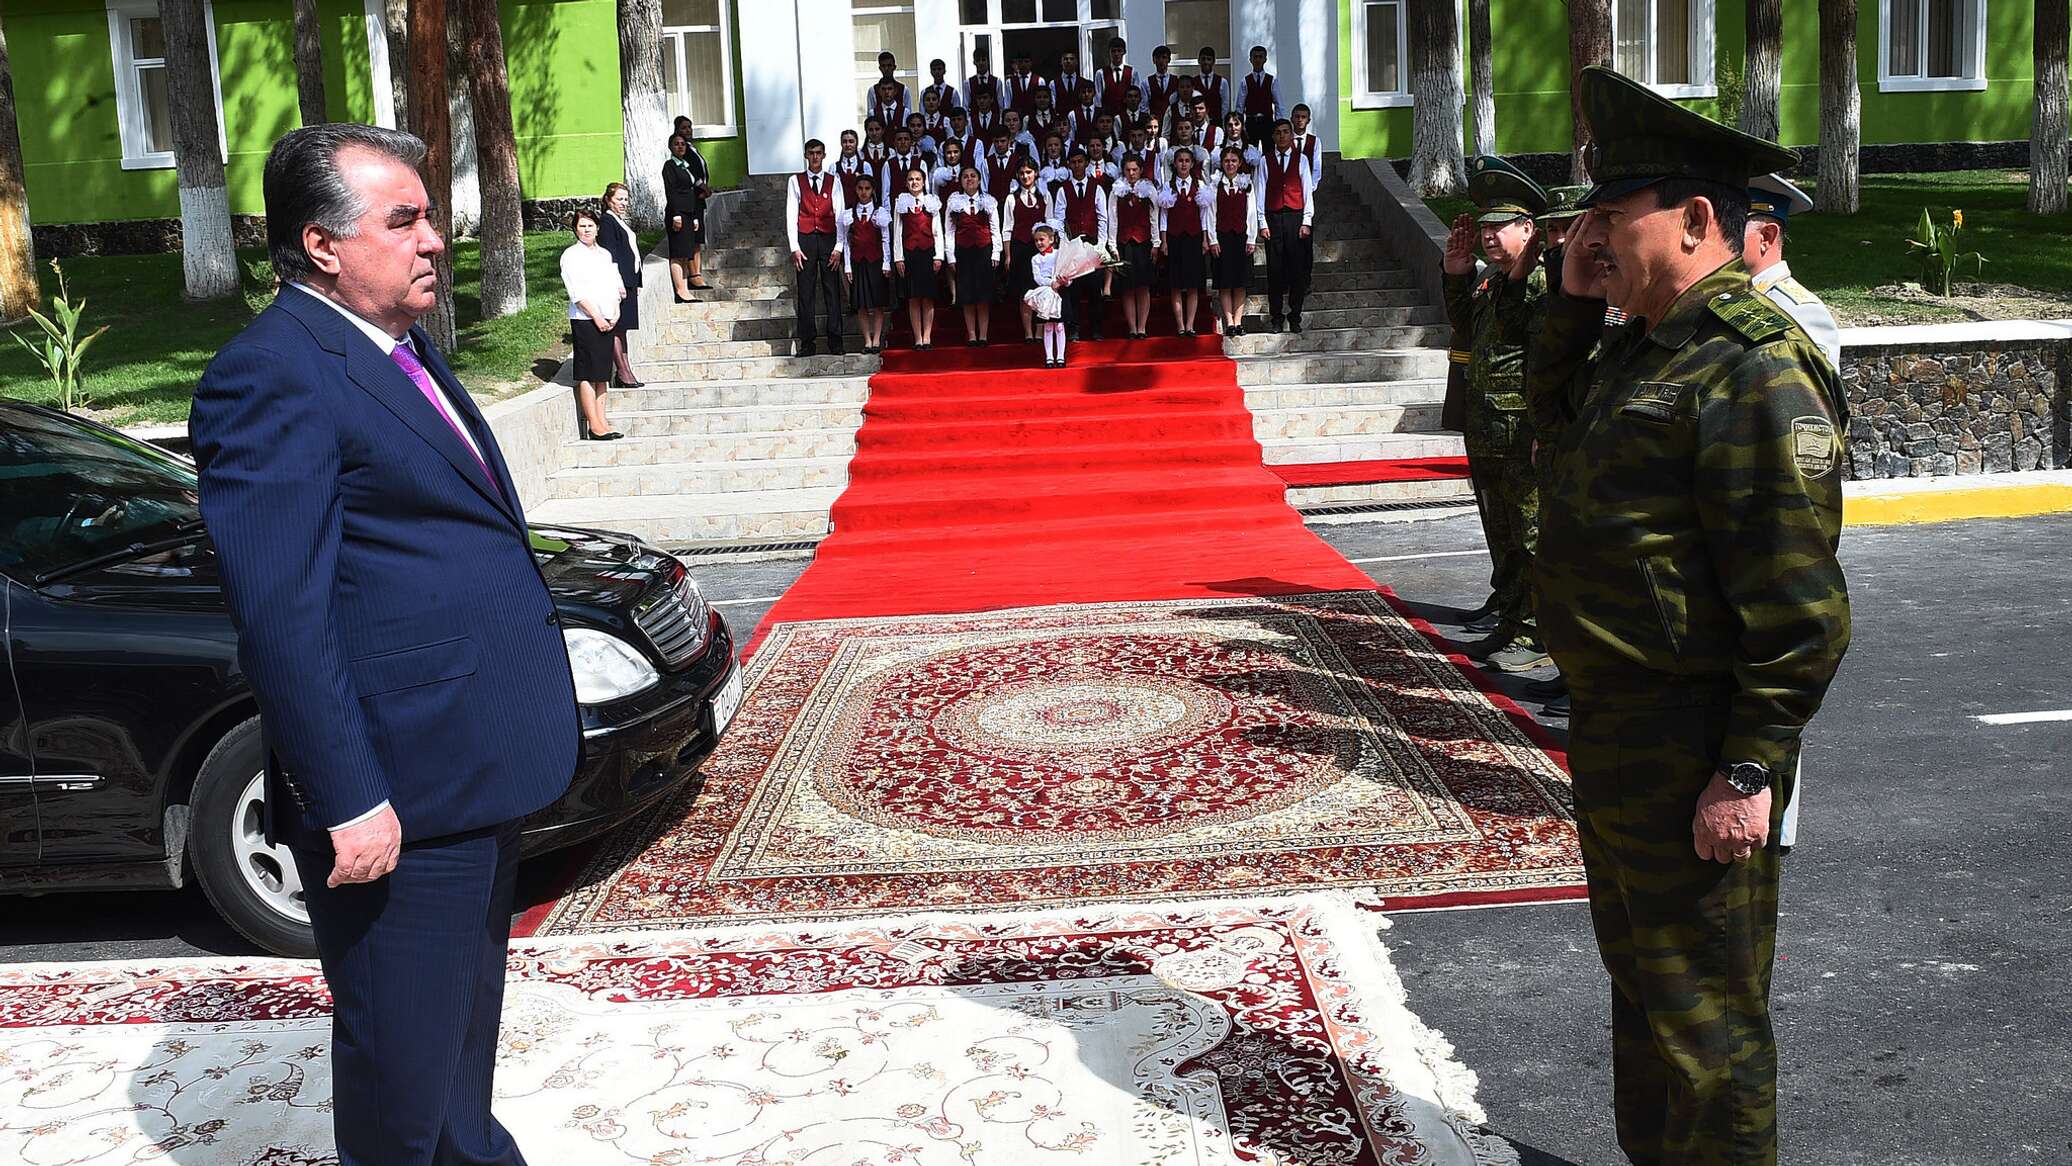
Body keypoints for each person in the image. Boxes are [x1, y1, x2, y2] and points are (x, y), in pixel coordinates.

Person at [189, 122, 581, 1166]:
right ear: (321, 243)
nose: (433, 240)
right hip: (393, 786)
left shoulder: (397, 350)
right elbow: (282, 612)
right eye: (402, 219)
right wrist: (349, 794)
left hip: (464, 763)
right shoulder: (272, 374)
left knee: (455, 1037)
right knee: (401, 1067)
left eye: (432, 216)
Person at [1529, 66, 1851, 1166]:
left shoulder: (1750, 371)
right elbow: (1549, 427)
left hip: (1691, 746)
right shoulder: (1641, 343)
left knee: (1706, 1017)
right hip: (1618, 728)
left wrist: (1747, 769)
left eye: (1612, 218)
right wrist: (1569, 303)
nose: (1593, 237)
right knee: (1644, 990)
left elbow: (1800, 609)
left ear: (1696, 219)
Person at [1742, 171, 1837, 853]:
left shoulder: (1798, 311)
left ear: (1768, 233)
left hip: (1779, 526)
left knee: (1777, 671)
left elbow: (1808, 444)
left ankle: (1779, 822)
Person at [1444, 156, 1550, 674]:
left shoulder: (1536, 284)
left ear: (1528, 230)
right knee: (1501, 532)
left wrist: (1538, 429)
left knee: (1529, 536)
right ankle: (1511, 620)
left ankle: (1534, 632)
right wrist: (1455, 277)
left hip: (1519, 432)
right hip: (1487, 427)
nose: (1487, 235)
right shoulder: (1492, 281)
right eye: (1482, 226)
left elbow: (1543, 364)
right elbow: (1466, 330)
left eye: (1498, 226)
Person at [1745, 173, 1840, 372]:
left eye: (1731, 226)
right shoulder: (1724, 294)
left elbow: (1814, 399)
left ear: (1766, 237)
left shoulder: (1801, 312)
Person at [558, 208, 626, 439]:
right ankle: (593, 425)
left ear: (597, 228)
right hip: (586, 320)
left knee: (602, 374)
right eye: (581, 226)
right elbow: (576, 292)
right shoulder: (571, 255)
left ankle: (603, 420)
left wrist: (614, 311)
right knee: (588, 372)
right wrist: (596, 316)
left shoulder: (604, 255)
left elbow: (614, 285)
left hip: (608, 318)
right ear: (575, 230)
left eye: (590, 225)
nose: (586, 230)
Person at [786, 138, 847, 358]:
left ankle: (835, 340)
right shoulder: (796, 181)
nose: (815, 157)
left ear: (824, 155)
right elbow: (791, 214)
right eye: (811, 153)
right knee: (806, 292)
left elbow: (840, 214)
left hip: (829, 238)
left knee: (832, 290)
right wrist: (795, 247)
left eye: (818, 153)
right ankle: (807, 342)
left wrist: (839, 246)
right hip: (806, 240)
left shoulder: (834, 180)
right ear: (805, 155)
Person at [1256, 118, 1314, 333]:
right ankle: (1276, 317)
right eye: (1278, 133)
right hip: (1273, 217)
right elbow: (1260, 190)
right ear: (1273, 137)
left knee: (1297, 270)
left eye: (1285, 132)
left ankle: (1295, 315)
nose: (1282, 136)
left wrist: (1306, 221)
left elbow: (1307, 190)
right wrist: (1262, 222)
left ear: (1291, 135)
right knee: (1275, 270)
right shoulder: (1266, 160)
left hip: (1295, 217)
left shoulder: (1301, 160)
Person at [1051, 146, 1110, 341]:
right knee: (1073, 291)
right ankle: (1074, 330)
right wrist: (1066, 245)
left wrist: (1101, 245)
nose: (1077, 165)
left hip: (1092, 245)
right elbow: (1059, 220)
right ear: (1069, 165)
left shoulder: (1097, 187)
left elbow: (1103, 218)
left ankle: (1097, 330)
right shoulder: (1063, 190)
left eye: (1080, 161)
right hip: (1073, 247)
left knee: (1095, 290)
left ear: (1086, 163)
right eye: (1073, 162)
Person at [1157, 143, 1214, 336]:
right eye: (1180, 161)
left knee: (1192, 284)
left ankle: (1190, 325)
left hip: (1194, 238)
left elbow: (1204, 217)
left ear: (1192, 164)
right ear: (1174, 163)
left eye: (1187, 161)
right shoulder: (1168, 186)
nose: (1183, 164)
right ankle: (1180, 325)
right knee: (1175, 284)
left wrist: (1205, 239)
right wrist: (1163, 240)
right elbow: (1163, 217)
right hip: (1174, 239)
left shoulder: (1200, 186)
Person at [596, 182, 646, 389]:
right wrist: (617, 283)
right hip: (619, 284)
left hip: (629, 282)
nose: (623, 203)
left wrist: (638, 280)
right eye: (619, 199)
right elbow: (611, 255)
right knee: (617, 328)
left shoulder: (619, 221)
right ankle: (623, 373)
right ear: (609, 200)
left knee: (623, 329)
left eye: (626, 199)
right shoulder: (607, 222)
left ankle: (626, 369)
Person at [945, 164, 1000, 345]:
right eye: (966, 176)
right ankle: (971, 335)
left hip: (984, 251)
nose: (969, 179)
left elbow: (995, 229)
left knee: (983, 296)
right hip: (963, 252)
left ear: (979, 179)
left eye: (973, 176)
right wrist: (951, 256)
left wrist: (996, 253)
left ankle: (983, 335)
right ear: (960, 181)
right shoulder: (954, 203)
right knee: (967, 296)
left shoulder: (988, 201)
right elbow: (949, 231)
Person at [891, 165, 945, 349]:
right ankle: (918, 338)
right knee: (913, 297)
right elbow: (897, 231)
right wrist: (898, 257)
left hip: (928, 252)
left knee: (927, 297)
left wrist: (939, 256)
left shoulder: (932, 202)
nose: (914, 182)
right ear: (906, 183)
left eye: (918, 179)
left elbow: (938, 231)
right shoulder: (901, 202)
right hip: (909, 253)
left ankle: (927, 337)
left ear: (923, 182)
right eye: (911, 179)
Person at [840, 173, 893, 355]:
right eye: (860, 189)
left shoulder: (880, 213)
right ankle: (867, 340)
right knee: (861, 304)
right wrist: (847, 266)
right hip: (857, 262)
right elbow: (846, 242)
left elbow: (886, 238)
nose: (864, 192)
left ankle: (877, 339)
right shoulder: (849, 214)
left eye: (867, 189)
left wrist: (887, 262)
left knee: (877, 303)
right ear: (856, 190)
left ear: (873, 191)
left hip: (876, 261)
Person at [1109, 155, 1161, 339]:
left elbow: (1154, 217)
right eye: (1128, 170)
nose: (1131, 173)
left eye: (1134, 169)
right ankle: (1132, 328)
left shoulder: (1149, 190)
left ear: (1140, 170)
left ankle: (1142, 327)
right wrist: (1112, 245)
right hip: (1124, 243)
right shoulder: (1116, 191)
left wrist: (1156, 243)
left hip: (1143, 242)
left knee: (1143, 286)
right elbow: (1112, 218)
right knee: (1127, 287)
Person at [1209, 144, 1257, 336]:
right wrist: (1213, 239)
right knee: (1225, 281)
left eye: (1233, 161)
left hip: (1241, 237)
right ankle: (1228, 322)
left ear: (1240, 163)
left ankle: (1238, 321)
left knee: (1240, 281)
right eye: (1227, 161)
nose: (1230, 164)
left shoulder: (1247, 184)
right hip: (1222, 237)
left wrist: (1251, 238)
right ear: (1221, 163)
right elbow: (1210, 214)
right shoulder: (1215, 186)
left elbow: (1251, 213)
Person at [1001, 159, 1048, 343]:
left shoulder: (1045, 196)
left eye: (1029, 172)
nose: (1025, 176)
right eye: (1022, 173)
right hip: (1020, 249)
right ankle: (1028, 332)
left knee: (1041, 290)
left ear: (1035, 173)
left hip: (1042, 251)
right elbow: (1007, 228)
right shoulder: (1012, 198)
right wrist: (1008, 255)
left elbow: (1051, 224)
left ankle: (1040, 331)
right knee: (1025, 292)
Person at [663, 133, 709, 298]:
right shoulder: (670, 166)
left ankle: (685, 289)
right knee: (678, 253)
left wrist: (695, 216)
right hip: (678, 214)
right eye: (676, 144)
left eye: (683, 144)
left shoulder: (685, 165)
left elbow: (692, 190)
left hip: (689, 213)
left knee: (686, 253)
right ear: (670, 147)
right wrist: (676, 214)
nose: (680, 146)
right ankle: (680, 290)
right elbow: (672, 191)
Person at [1026, 223, 1070, 368]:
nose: (1039, 243)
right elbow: (1037, 277)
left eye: (1042, 239)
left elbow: (1068, 271)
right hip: (1045, 293)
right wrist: (1051, 283)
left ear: (1051, 239)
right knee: (1048, 326)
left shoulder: (1059, 254)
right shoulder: (1035, 259)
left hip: (1060, 292)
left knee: (1059, 325)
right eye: (1036, 240)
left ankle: (1061, 357)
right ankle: (1049, 357)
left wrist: (1065, 281)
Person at [1239, 45, 1280, 147]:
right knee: (1250, 151)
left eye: (1260, 57)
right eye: (1255, 57)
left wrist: (1279, 123)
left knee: (1269, 150)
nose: (1257, 60)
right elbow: (1240, 105)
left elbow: (1278, 103)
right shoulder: (1245, 81)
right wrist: (1240, 124)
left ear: (1265, 59)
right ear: (1250, 60)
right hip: (1251, 122)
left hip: (1267, 122)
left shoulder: (1272, 80)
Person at [867, 51, 910, 123]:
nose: (886, 69)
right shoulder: (873, 90)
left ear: (894, 67)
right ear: (880, 68)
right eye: (883, 66)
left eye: (889, 65)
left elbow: (908, 115)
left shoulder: (904, 89)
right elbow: (871, 117)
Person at [1096, 36, 1135, 115]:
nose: (1116, 54)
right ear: (1109, 52)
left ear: (1124, 52)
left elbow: (1135, 96)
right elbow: (1098, 98)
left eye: (1119, 51)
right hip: (1108, 117)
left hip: (1126, 116)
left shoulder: (1132, 72)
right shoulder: (1101, 73)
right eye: (1113, 51)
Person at [1146, 44, 1182, 122]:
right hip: (1154, 124)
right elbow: (1144, 106)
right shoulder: (1146, 83)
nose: (1161, 61)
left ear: (1169, 60)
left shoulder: (1176, 81)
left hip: (1172, 121)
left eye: (1164, 57)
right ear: (1154, 60)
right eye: (1158, 58)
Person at [1007, 48, 1046, 118]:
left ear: (1031, 63)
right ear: (1017, 63)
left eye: (1026, 61)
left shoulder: (1039, 80)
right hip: (1017, 120)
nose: (1023, 64)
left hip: (1035, 118)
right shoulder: (1009, 82)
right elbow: (1008, 104)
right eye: (1020, 62)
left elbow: (1043, 103)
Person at [1192, 47, 1227, 121]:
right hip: (1198, 123)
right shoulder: (1193, 82)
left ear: (1214, 61)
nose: (1206, 62)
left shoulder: (1222, 82)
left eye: (1209, 59)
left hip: (1217, 122)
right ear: (1199, 61)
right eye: (1203, 59)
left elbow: (1225, 106)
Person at [966, 47, 1002, 117]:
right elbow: (966, 106)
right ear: (974, 62)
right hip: (975, 120)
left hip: (994, 120)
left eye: (983, 60)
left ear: (987, 61)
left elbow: (1000, 105)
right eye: (978, 60)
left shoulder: (997, 82)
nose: (981, 63)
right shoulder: (968, 83)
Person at [1051, 48, 1084, 114]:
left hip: (1079, 119)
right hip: (1062, 121)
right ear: (1061, 62)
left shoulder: (1084, 82)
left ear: (1076, 62)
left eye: (1071, 59)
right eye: (1065, 59)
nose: (1068, 61)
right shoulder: (1053, 83)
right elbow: (1053, 105)